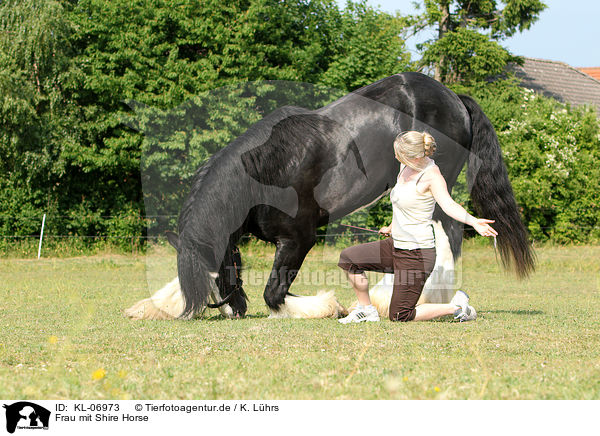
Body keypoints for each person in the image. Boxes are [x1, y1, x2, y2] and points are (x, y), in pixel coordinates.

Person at [337, 131, 498, 323]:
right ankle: (366, 310)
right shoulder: (405, 166)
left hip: (416, 255)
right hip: (395, 245)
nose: (395, 155)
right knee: (349, 259)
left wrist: (474, 221)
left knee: (400, 315)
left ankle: (457, 306)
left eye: (398, 153)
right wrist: (391, 226)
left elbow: (448, 205)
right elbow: (403, 204)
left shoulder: (431, 176)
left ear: (413, 155)